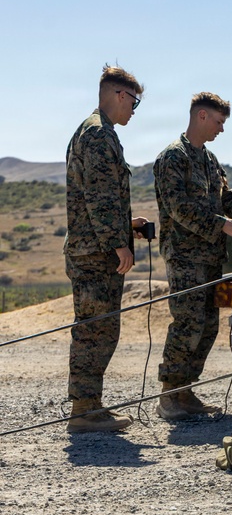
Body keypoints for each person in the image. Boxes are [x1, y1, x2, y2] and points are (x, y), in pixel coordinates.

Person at [153, 92, 232, 420]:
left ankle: (185, 391)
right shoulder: (173, 158)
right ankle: (169, 395)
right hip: (184, 257)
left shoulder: (209, 161)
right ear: (201, 116)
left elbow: (228, 201)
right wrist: (221, 224)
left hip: (210, 257)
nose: (221, 129)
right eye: (219, 122)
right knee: (187, 323)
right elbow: (178, 208)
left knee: (207, 326)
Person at [64, 65, 149, 433]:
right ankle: (83, 411)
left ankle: (90, 406)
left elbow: (95, 199)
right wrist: (118, 243)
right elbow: (99, 197)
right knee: (94, 330)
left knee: (99, 329)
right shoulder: (98, 134)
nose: (134, 108)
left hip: (92, 246)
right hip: (95, 253)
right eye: (134, 100)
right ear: (119, 95)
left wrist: (126, 226)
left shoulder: (97, 132)